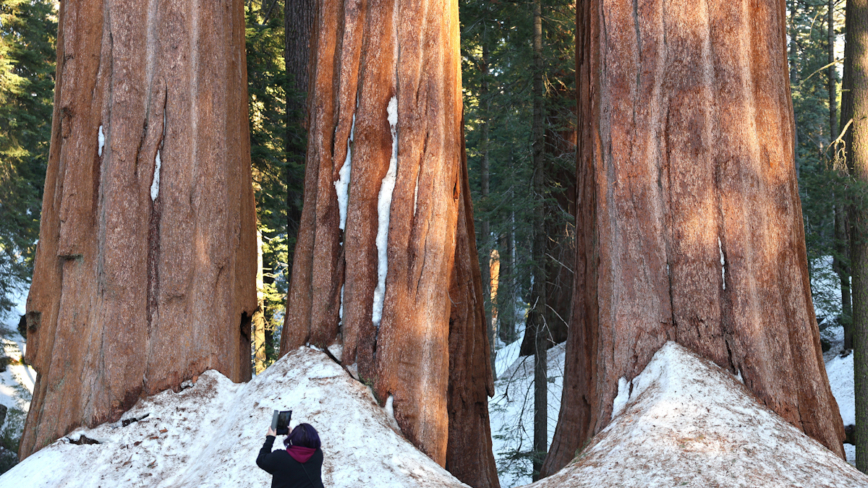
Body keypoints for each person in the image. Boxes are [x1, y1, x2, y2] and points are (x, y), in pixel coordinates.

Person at [256, 422, 324, 488]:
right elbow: (301, 451)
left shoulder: (280, 458)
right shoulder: (318, 455)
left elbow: (261, 459)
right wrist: (295, 436)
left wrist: (270, 438)